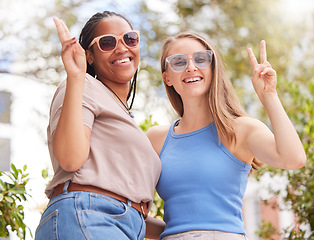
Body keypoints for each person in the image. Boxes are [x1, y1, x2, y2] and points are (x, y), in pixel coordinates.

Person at [146, 32, 306, 240]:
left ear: (213, 68)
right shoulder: (155, 139)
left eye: (201, 58)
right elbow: (133, 210)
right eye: (178, 61)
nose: (191, 67)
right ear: (166, 77)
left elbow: (294, 159)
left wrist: (269, 95)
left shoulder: (241, 130)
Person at [34, 11, 161, 240]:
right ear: (89, 56)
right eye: (107, 43)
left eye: (129, 38)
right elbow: (71, 159)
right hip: (87, 216)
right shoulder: (83, 86)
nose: (122, 48)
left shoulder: (124, 117)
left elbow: (125, 205)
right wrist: (76, 76)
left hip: (119, 225)